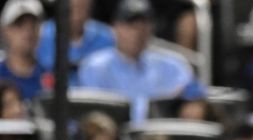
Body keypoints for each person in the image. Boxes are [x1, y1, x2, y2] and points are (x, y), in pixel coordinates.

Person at [77, 0, 205, 123]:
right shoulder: (95, 66)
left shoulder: (172, 66)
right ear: (116, 27)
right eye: (131, 26)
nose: (137, 33)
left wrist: (190, 100)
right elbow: (92, 118)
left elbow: (195, 91)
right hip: (115, 139)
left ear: (151, 29)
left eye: (143, 26)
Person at [36, 0, 115, 84]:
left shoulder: (107, 37)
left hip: (96, 94)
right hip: (52, 94)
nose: (77, 14)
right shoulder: (41, 35)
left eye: (81, 8)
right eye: (72, 8)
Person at [0, 0, 50, 101]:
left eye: (33, 24)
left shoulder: (50, 77)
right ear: (4, 31)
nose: (28, 30)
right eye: (19, 24)